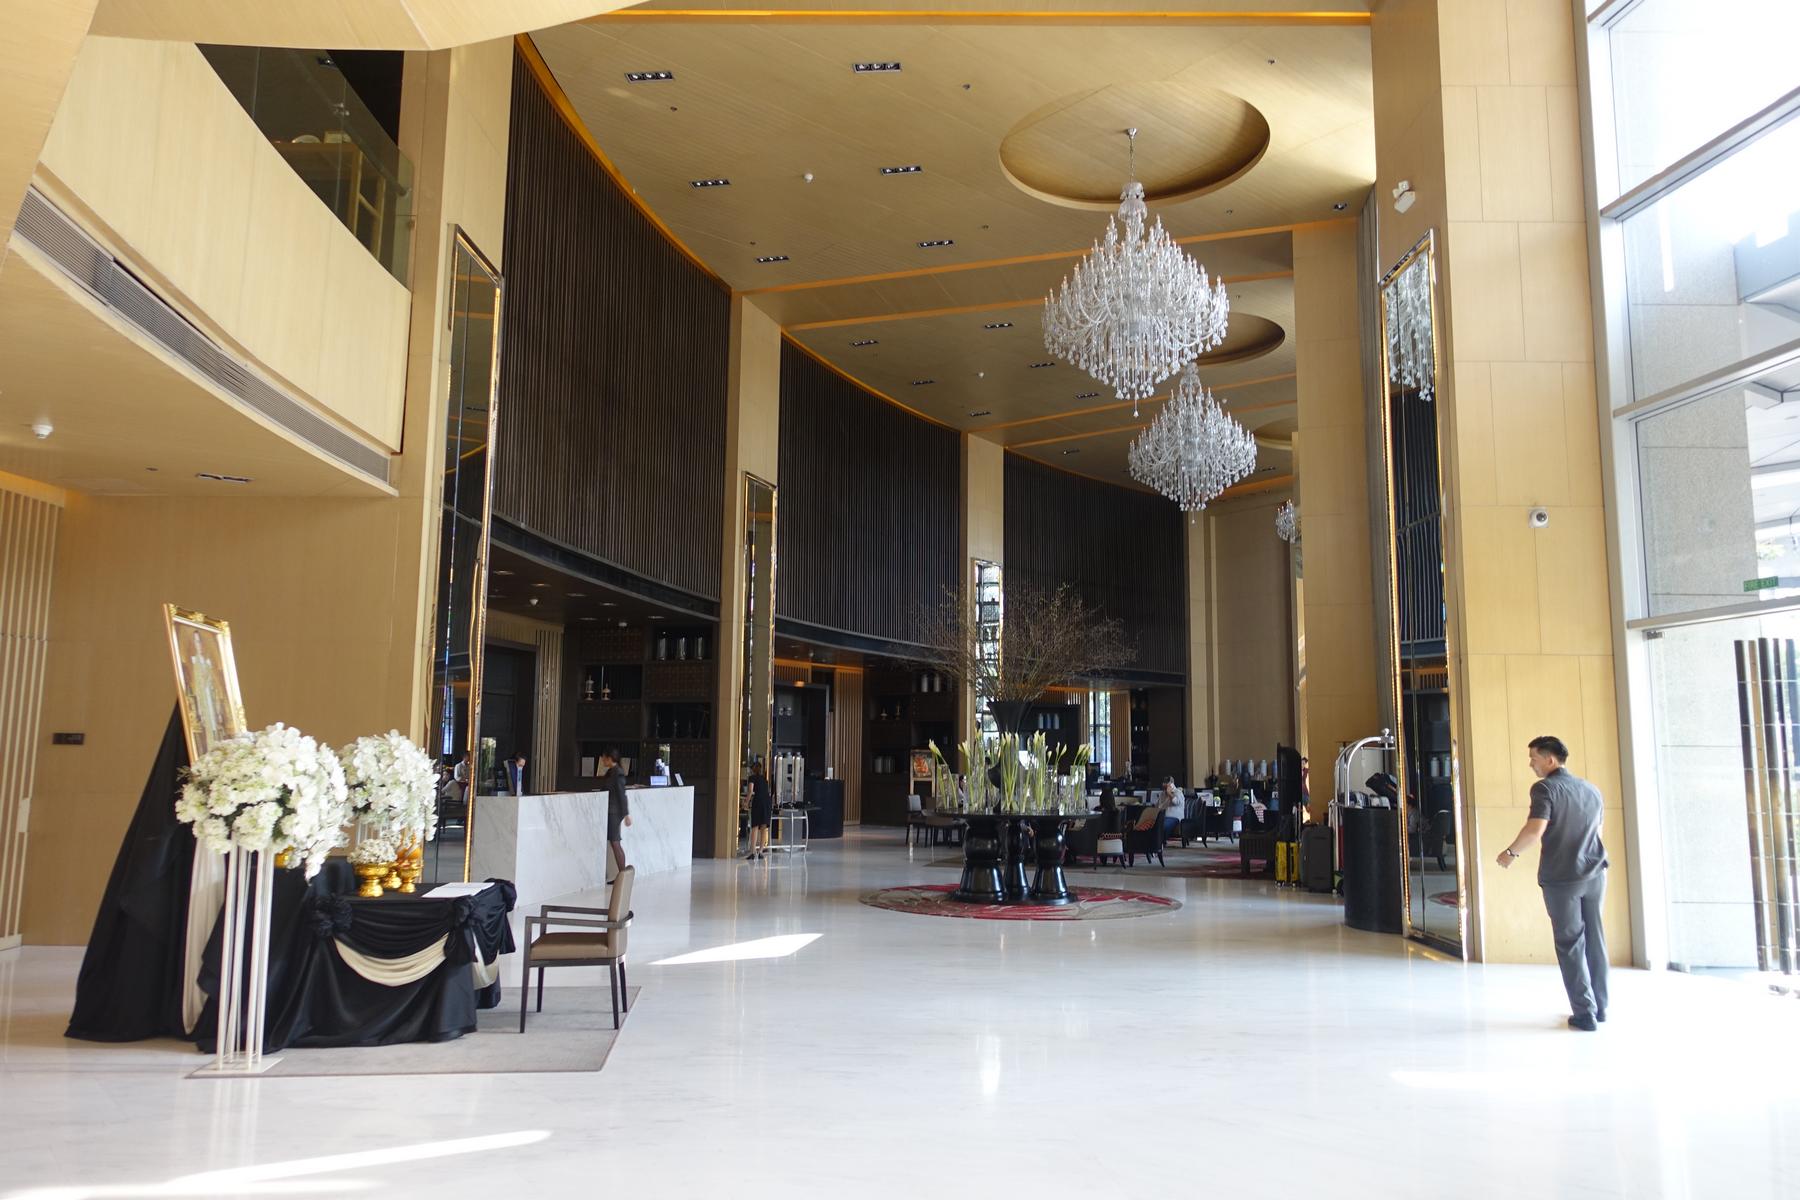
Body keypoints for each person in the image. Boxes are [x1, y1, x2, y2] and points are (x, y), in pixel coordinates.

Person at [1496, 735, 1610, 1032]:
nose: (1530, 763)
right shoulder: (1590, 789)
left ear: (1550, 760)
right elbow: (1598, 829)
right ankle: (1600, 1007)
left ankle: (1584, 1012)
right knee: (1595, 939)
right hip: (1595, 872)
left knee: (1570, 942)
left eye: (1534, 757)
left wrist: (1510, 853)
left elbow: (1535, 830)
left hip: (1563, 877)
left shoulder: (1545, 788)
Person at [600, 747, 631, 872]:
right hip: (611, 811)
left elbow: (621, 794)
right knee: (615, 843)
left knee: (615, 842)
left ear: (609, 758)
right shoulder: (612, 772)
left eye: (603, 757)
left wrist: (626, 815)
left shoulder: (617, 773)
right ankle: (621, 874)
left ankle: (623, 875)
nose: (602, 759)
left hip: (614, 812)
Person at [746, 760, 773, 861]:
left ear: (752, 770)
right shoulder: (764, 779)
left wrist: (746, 802)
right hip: (767, 802)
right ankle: (761, 851)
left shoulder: (752, 778)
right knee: (763, 826)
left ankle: (753, 852)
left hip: (758, 802)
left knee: (755, 826)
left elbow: (750, 791)